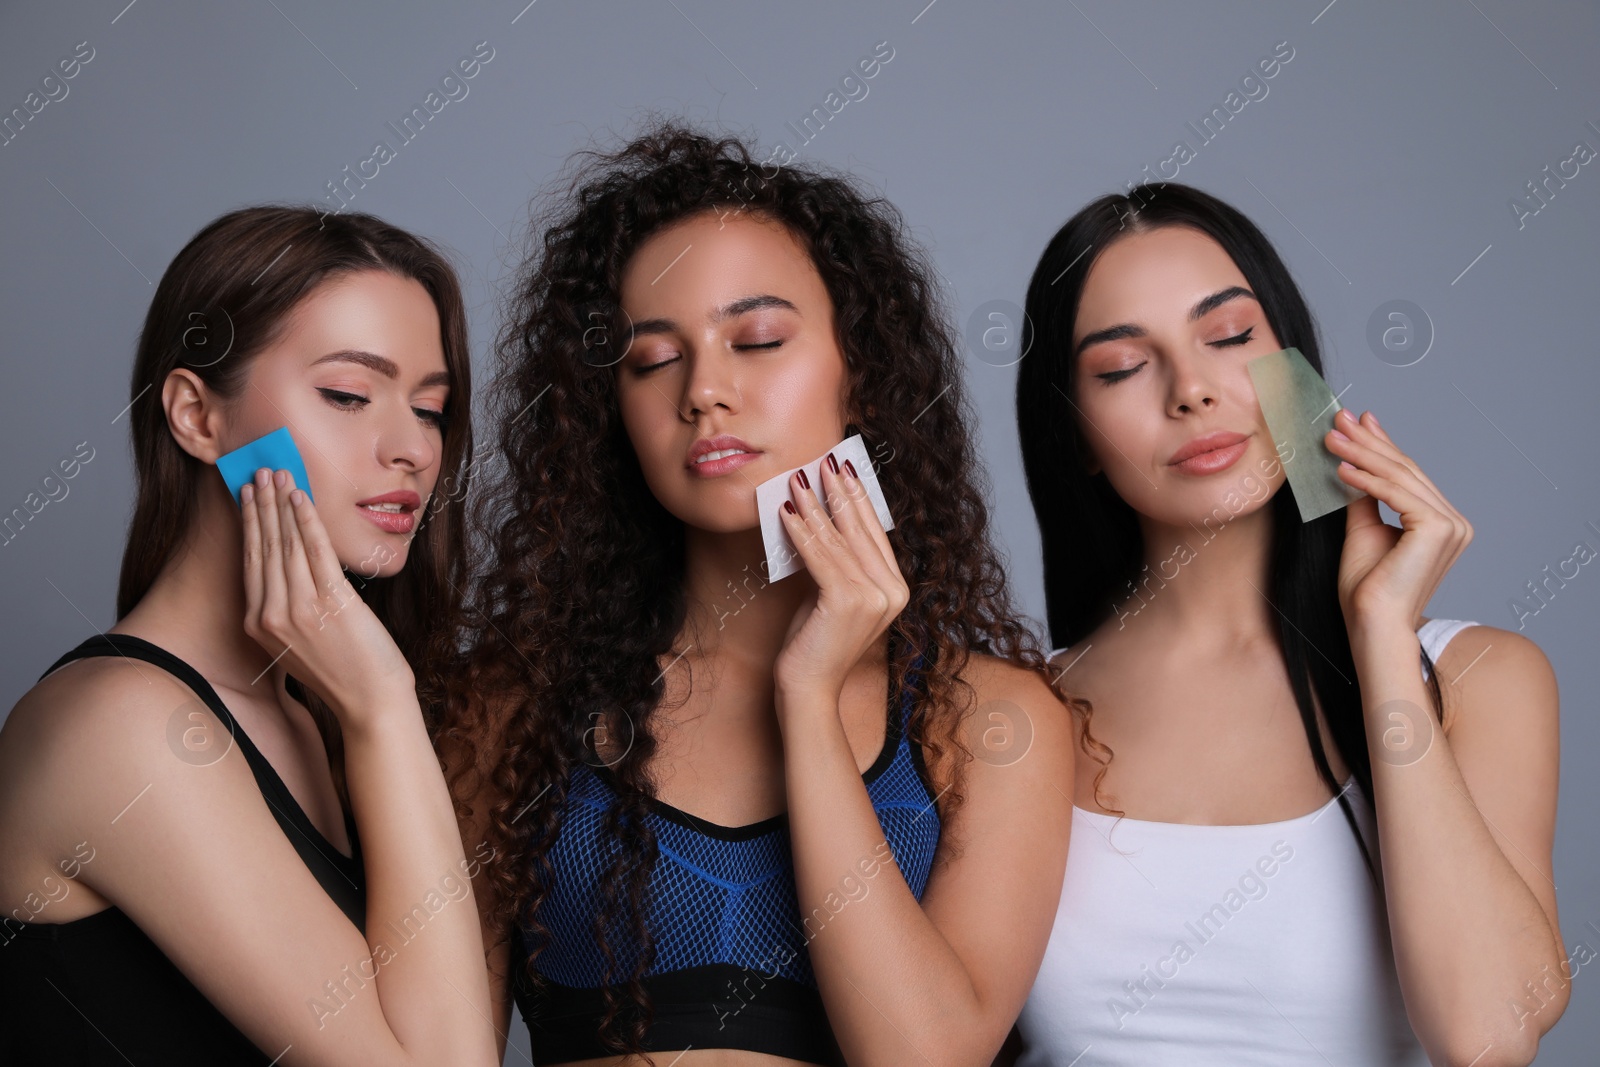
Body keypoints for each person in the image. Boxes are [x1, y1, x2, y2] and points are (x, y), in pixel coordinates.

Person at [432, 121, 1078, 1066]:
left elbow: (924, 1057)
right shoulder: (509, 710)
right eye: (653, 359)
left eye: (760, 339)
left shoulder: (988, 721)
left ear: (860, 375)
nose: (705, 391)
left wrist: (808, 696)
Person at [1006, 182, 1566, 1066]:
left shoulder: (1478, 679)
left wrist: (1381, 631)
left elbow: (1487, 1036)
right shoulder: (1013, 710)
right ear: (1074, 430)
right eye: (1121, 367)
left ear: (1299, 375)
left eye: (1229, 337)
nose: (1191, 389)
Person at [0, 206, 500, 1065]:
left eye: (431, 407)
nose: (413, 448)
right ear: (197, 416)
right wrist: (384, 706)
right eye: (348, 394)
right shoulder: (121, 727)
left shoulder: (313, 711)